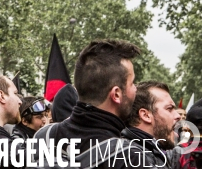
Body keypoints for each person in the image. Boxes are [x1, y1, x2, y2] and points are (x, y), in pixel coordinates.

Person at [33, 39, 141, 169]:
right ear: (116, 94)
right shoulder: (129, 158)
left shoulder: (43, 137)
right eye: (132, 83)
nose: (135, 88)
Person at [121, 81, 182, 168]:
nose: (178, 116)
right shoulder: (134, 158)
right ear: (146, 115)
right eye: (169, 109)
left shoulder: (151, 152)